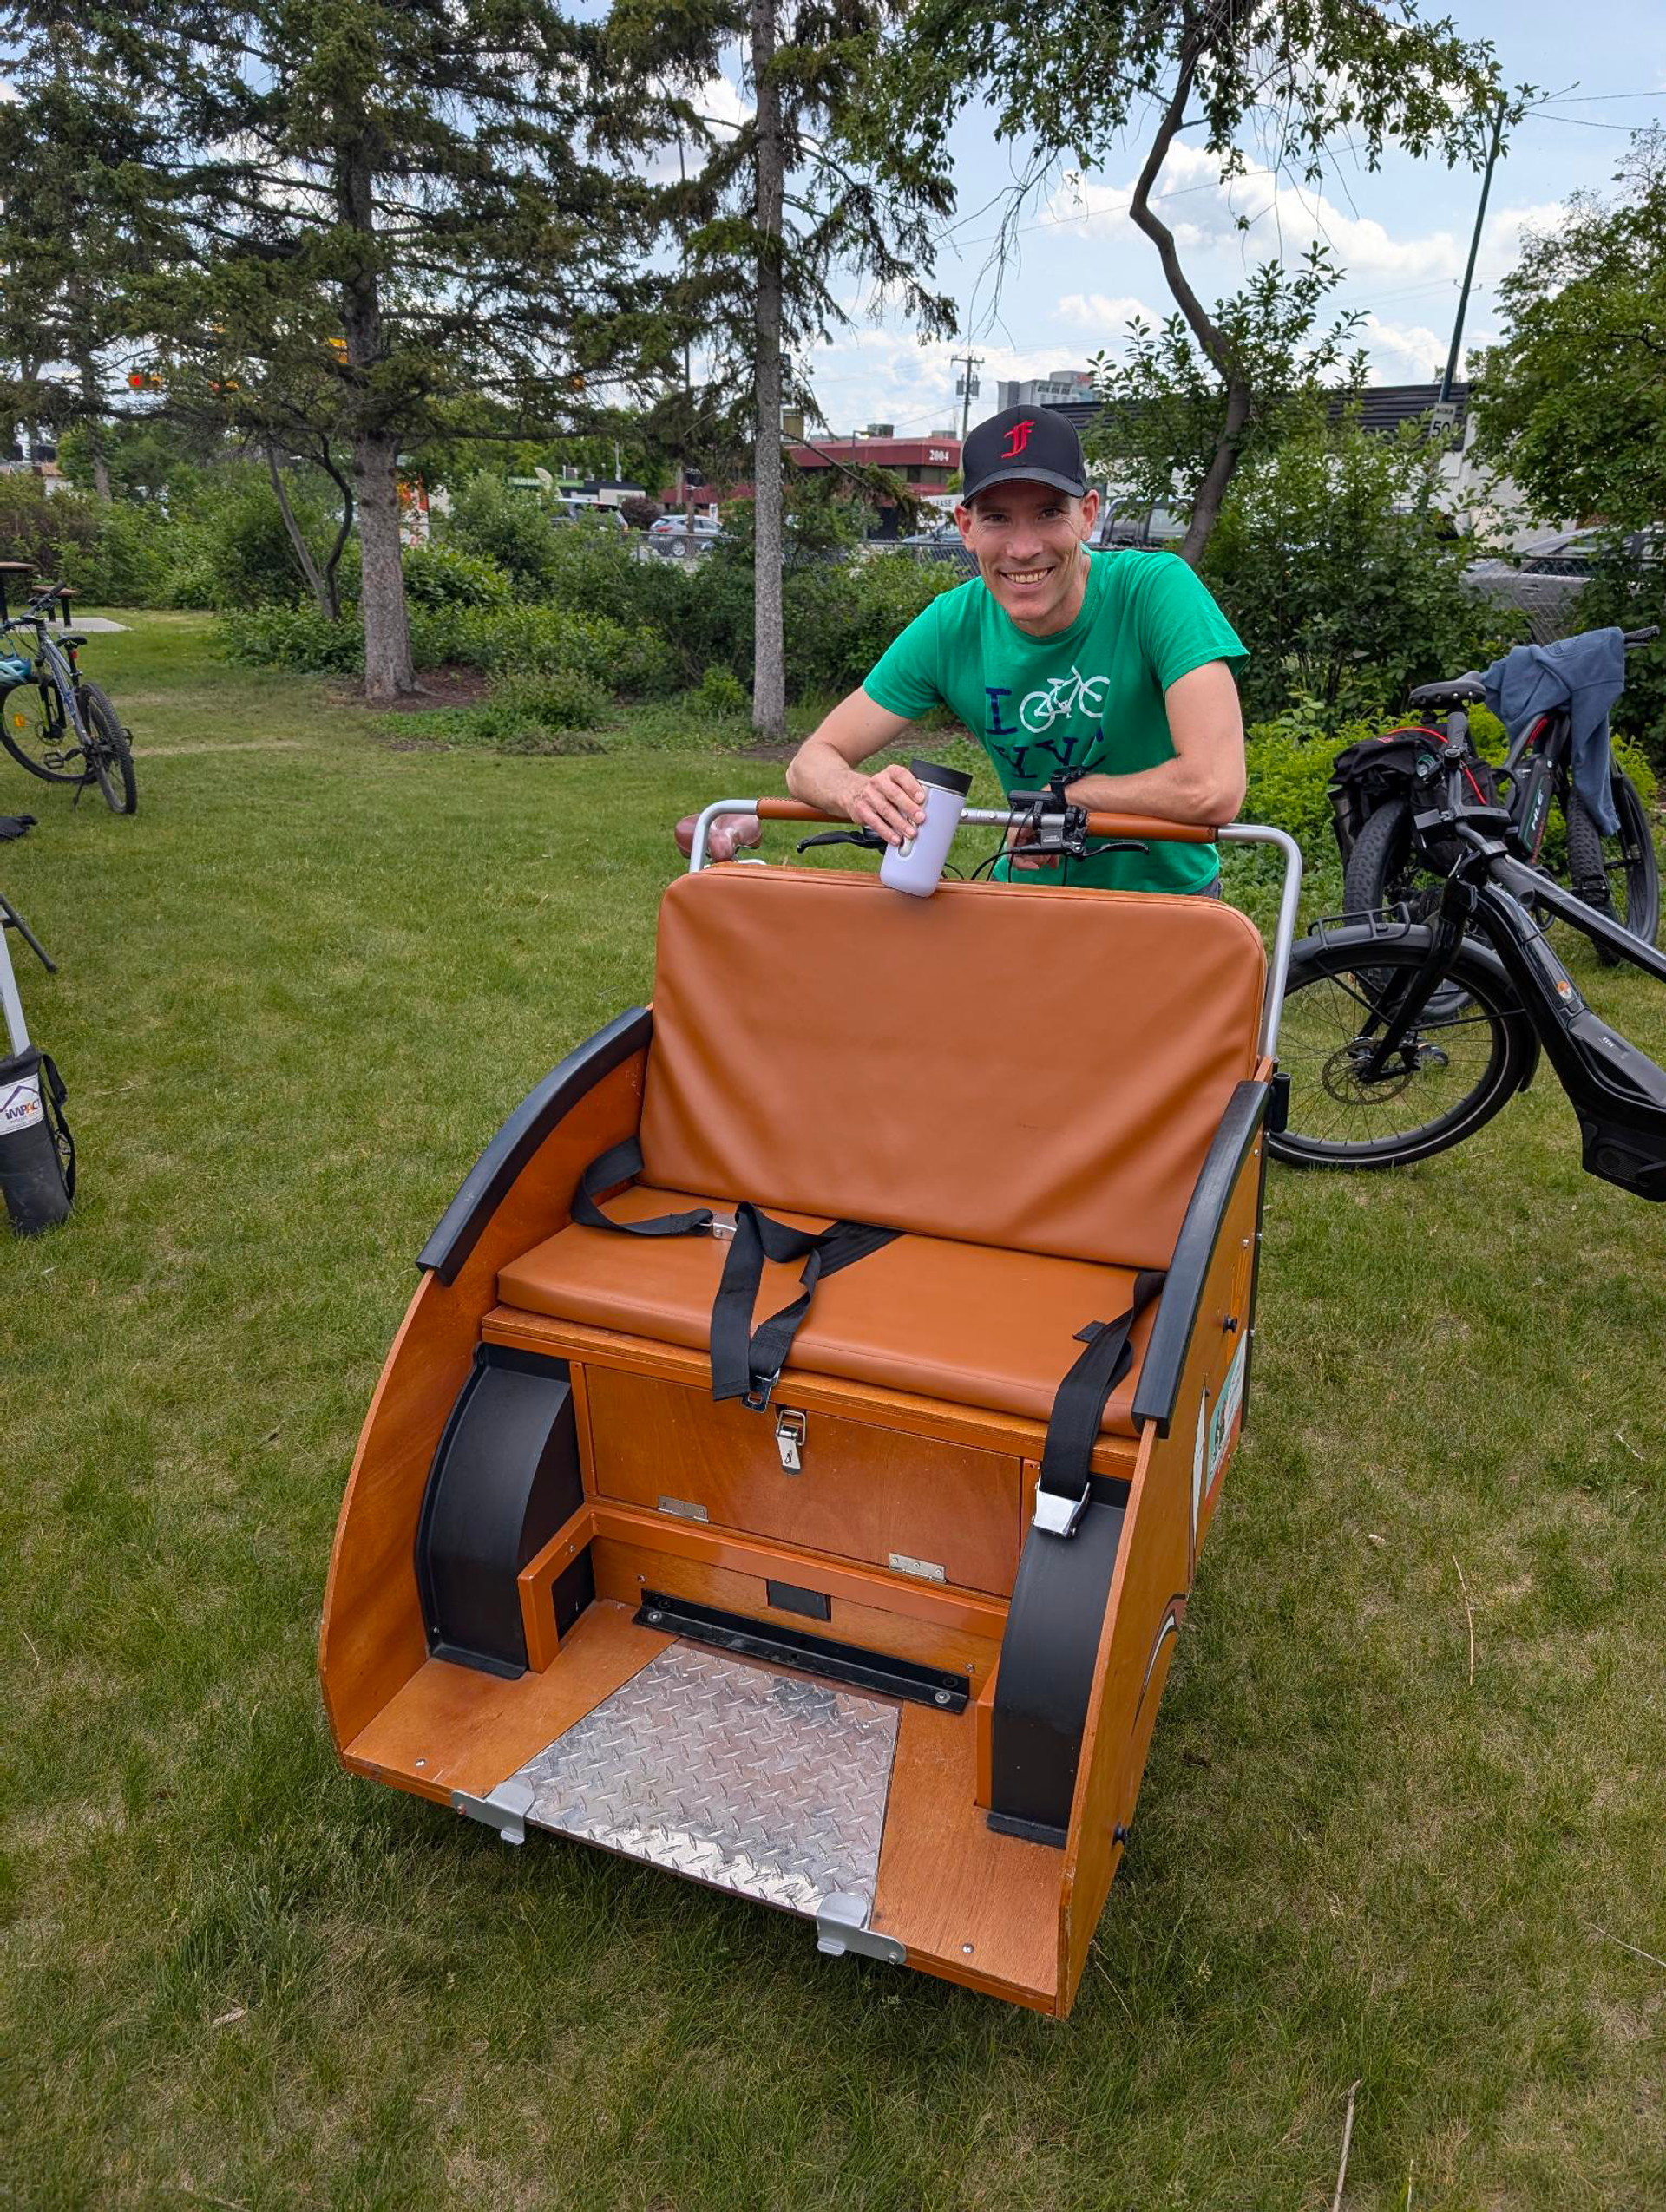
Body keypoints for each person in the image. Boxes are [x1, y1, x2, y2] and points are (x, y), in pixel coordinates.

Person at [785, 405, 1248, 893]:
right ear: (966, 527)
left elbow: (1214, 788)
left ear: (1087, 515)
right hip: (1027, 900)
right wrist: (858, 791)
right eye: (998, 518)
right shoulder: (951, 626)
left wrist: (1067, 796)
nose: (1023, 548)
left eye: (1049, 513)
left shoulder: (1157, 591)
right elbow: (810, 762)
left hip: (1168, 906)